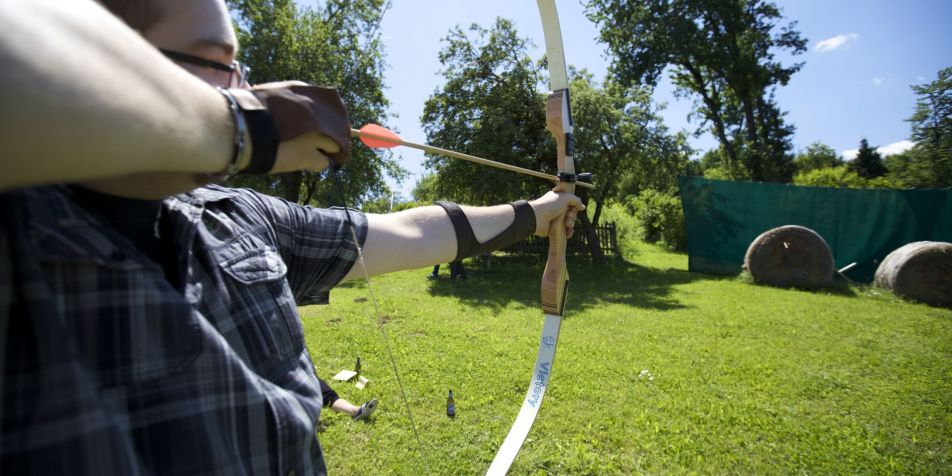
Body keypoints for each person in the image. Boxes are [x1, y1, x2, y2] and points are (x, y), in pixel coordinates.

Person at [0, 0, 583, 474]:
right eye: (217, 64)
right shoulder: (21, 225)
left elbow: (415, 232)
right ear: (102, 59)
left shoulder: (241, 217)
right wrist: (244, 126)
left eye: (241, 74)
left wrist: (541, 210)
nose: (242, 85)